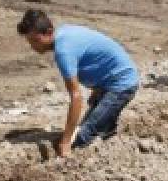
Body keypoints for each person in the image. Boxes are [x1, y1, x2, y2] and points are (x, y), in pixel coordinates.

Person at [17, 9, 139, 156]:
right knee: (92, 127)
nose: (33, 47)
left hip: (121, 85)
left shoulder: (64, 51)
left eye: (35, 41)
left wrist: (66, 141)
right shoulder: (64, 33)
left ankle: (104, 147)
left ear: (49, 32)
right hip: (109, 83)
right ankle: (107, 134)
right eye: (30, 42)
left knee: (81, 138)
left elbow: (76, 96)